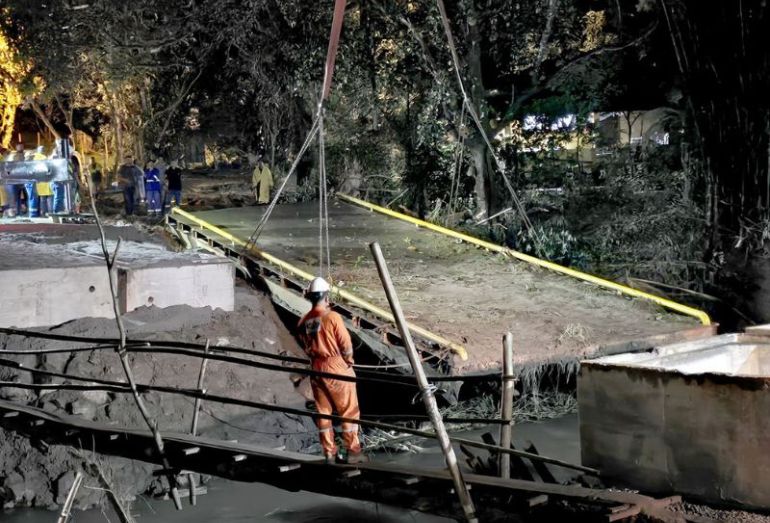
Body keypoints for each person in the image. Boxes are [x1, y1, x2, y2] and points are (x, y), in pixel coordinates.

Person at [297, 277, 366, 464]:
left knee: (323, 412)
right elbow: (345, 344)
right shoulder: (332, 317)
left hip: (316, 368)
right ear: (326, 297)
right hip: (336, 366)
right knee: (349, 411)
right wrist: (348, 361)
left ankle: (329, 452)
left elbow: (304, 343)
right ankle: (353, 452)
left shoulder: (303, 320)